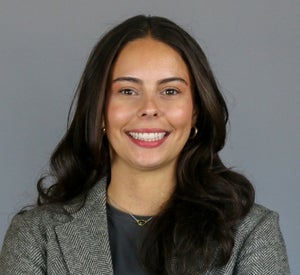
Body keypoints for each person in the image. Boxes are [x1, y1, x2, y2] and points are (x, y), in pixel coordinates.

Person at [0, 15, 289, 275]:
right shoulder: (37, 236)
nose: (149, 108)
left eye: (170, 91)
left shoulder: (252, 233)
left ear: (196, 112)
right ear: (99, 111)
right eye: (127, 90)